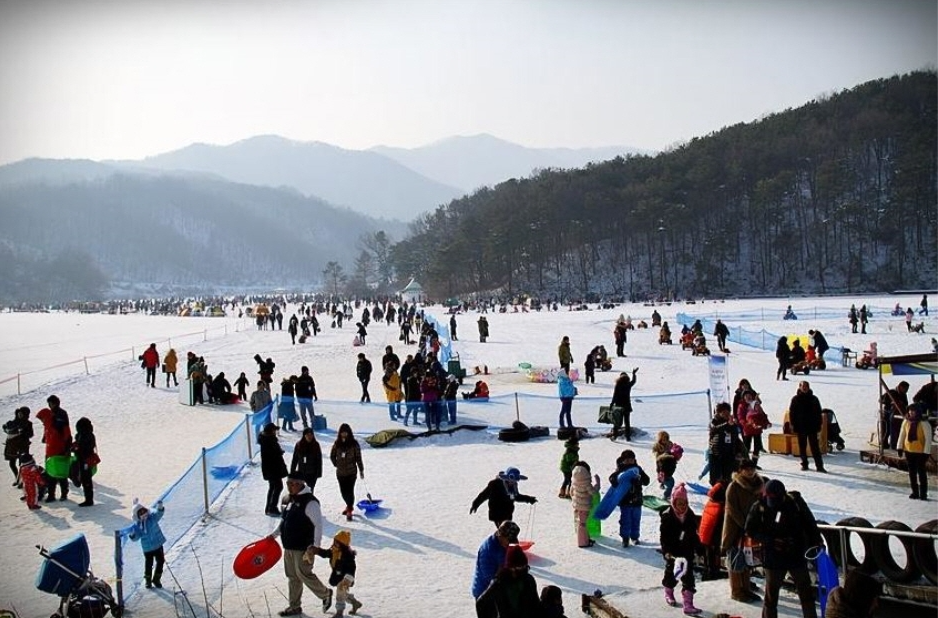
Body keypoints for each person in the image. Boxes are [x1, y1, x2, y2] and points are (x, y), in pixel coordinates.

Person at [744, 479, 824, 618]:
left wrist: (817, 542)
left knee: (806, 594)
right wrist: (770, 540)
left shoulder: (795, 502)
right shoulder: (760, 506)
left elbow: (810, 523)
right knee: (771, 597)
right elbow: (750, 530)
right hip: (773, 556)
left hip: (796, 553)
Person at [269, 474, 333, 616]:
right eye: (288, 483)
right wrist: (273, 536)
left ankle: (325, 594)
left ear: (301, 484)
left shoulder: (310, 502)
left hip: (304, 547)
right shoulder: (286, 499)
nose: (289, 486)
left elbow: (318, 525)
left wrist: (315, 546)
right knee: (292, 576)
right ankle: (294, 606)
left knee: (304, 573)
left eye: (292, 483)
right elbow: (283, 521)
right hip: (289, 546)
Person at [721, 458, 763, 602]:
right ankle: (736, 590)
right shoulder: (733, 486)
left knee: (747, 560)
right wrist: (745, 525)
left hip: (751, 528)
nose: (750, 472)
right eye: (747, 469)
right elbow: (732, 510)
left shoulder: (759, 484)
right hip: (735, 529)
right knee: (735, 560)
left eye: (752, 469)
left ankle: (746, 588)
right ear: (740, 470)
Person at [659, 483, 702, 615]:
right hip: (673, 552)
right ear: (674, 503)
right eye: (680, 503)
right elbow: (664, 537)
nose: (682, 506)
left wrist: (699, 548)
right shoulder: (668, 517)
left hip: (687, 551)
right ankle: (669, 591)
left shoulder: (690, 515)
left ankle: (688, 604)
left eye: (684, 503)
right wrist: (666, 551)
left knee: (688, 577)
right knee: (672, 574)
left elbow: (694, 534)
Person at [475, 544, 542, 618]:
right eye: (519, 568)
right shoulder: (499, 583)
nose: (523, 570)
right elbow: (481, 603)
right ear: (510, 568)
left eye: (525, 567)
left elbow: (536, 605)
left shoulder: (529, 580)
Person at [309, 530, 363, 617]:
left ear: (342, 545)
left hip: (347, 577)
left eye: (337, 542)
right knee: (343, 594)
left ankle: (339, 612)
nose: (334, 543)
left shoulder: (347, 555)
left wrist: (347, 579)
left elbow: (352, 568)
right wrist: (316, 550)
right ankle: (355, 603)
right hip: (338, 576)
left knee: (340, 591)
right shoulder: (334, 551)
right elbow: (325, 553)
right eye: (334, 541)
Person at [470, 467, 537, 527]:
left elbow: (516, 497)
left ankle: (507, 540)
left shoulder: (513, 486)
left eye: (516, 480)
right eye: (512, 480)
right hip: (497, 513)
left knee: (508, 532)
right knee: (505, 532)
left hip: (507, 513)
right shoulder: (495, 484)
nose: (513, 482)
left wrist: (529, 499)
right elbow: (483, 495)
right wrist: (475, 504)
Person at [608, 449, 649, 547]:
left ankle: (634, 537)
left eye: (631, 459)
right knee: (626, 520)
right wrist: (616, 481)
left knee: (636, 520)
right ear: (623, 460)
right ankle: (625, 538)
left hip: (637, 500)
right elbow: (612, 478)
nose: (629, 462)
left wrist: (639, 480)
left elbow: (646, 480)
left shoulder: (637, 469)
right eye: (626, 460)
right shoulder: (621, 469)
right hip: (625, 501)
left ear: (634, 460)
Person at [471, 520, 519, 600]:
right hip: (484, 594)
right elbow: (489, 577)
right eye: (509, 540)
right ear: (501, 536)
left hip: (498, 592)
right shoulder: (488, 550)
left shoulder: (503, 545)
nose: (510, 544)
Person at [36, 395, 72, 502]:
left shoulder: (60, 415)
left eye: (50, 403)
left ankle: (64, 493)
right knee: (50, 473)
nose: (49, 405)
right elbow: (48, 430)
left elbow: (67, 434)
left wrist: (67, 448)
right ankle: (51, 494)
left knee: (60, 472)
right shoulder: (49, 418)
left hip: (59, 449)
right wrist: (45, 438)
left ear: (55, 403)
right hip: (50, 450)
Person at [789, 381, 827, 473]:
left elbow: (818, 413)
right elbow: (792, 413)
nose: (805, 388)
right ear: (800, 387)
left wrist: (819, 424)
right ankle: (804, 464)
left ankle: (819, 466)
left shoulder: (814, 399)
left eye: (806, 386)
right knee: (802, 447)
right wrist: (793, 425)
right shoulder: (795, 399)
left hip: (812, 427)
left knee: (815, 447)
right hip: (801, 426)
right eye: (803, 386)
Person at [128, 499, 167, 589]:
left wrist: (160, 507)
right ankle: (148, 580)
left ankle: (156, 579)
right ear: (137, 516)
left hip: (158, 544)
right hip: (147, 548)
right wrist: (132, 535)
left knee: (160, 561)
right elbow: (136, 538)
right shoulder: (138, 526)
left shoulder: (152, 518)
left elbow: (159, 514)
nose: (144, 514)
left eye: (144, 511)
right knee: (149, 564)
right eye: (141, 514)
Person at [897, 404, 932, 500]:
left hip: (920, 452)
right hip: (909, 450)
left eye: (913, 411)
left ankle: (923, 493)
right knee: (912, 473)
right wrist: (899, 447)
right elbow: (902, 434)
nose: (911, 412)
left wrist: (926, 452)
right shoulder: (906, 421)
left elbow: (928, 439)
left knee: (921, 473)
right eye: (909, 411)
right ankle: (915, 492)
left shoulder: (924, 423)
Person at [331, 423, 364, 522]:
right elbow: (332, 455)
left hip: (351, 472)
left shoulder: (354, 444)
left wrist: (361, 469)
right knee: (343, 491)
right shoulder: (337, 443)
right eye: (342, 432)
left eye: (345, 432)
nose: (344, 434)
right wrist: (336, 464)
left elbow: (358, 457)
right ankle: (349, 506)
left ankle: (349, 509)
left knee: (350, 491)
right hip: (340, 473)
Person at [708, 402, 743, 486]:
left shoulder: (732, 424)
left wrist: (738, 452)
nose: (726, 414)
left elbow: (736, 439)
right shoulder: (714, 422)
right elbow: (715, 429)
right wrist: (727, 424)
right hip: (715, 453)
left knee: (727, 476)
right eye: (723, 412)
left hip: (729, 454)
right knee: (715, 477)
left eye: (727, 412)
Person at [259, 423, 288, 516]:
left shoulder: (268, 440)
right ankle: (272, 507)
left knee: (273, 487)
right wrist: (279, 452)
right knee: (278, 486)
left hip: (272, 469)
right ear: (271, 431)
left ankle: (269, 507)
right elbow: (271, 456)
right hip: (272, 469)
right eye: (274, 430)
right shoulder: (268, 441)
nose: (275, 432)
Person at [738, 390, 771, 467]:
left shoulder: (755, 404)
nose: (748, 397)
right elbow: (740, 417)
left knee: (757, 447)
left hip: (757, 430)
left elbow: (762, 414)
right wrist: (746, 424)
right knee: (746, 447)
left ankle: (754, 463)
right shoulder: (742, 406)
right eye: (746, 396)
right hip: (747, 429)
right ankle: (745, 463)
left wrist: (766, 423)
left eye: (749, 396)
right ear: (743, 397)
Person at [570, 462, 600, 548]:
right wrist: (597, 484)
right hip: (584, 507)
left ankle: (586, 539)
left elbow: (571, 492)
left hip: (577, 505)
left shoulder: (575, 482)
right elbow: (593, 492)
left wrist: (574, 500)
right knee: (582, 524)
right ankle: (582, 542)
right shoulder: (586, 484)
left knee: (581, 523)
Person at [71, 417, 98, 506]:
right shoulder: (87, 434)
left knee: (86, 479)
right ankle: (88, 499)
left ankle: (89, 500)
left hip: (85, 460)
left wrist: (76, 449)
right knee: (85, 479)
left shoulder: (85, 435)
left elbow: (85, 448)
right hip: (84, 459)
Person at [3, 406, 33, 481]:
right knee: (12, 463)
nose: (20, 415)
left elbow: (30, 434)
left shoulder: (28, 423)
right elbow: (6, 428)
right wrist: (5, 428)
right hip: (12, 445)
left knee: (23, 464)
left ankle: (24, 480)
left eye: (22, 413)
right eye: (19, 413)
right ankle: (18, 478)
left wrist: (23, 432)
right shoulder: (13, 422)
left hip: (23, 446)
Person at [291, 427, 323, 494]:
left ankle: (309, 503)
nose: (309, 437)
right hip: (301, 472)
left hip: (312, 473)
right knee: (301, 490)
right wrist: (292, 471)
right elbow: (295, 459)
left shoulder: (316, 445)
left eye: (311, 435)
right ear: (304, 435)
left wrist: (319, 473)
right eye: (307, 435)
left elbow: (319, 460)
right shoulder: (299, 445)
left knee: (310, 490)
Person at [610, 368, 638, 441]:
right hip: (627, 406)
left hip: (618, 406)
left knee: (616, 422)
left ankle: (615, 436)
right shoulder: (628, 385)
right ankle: (628, 437)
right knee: (627, 422)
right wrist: (634, 374)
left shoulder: (618, 385)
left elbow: (615, 395)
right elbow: (634, 381)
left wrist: (612, 404)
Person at [880, 380, 909, 450]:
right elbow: (881, 400)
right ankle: (884, 444)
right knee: (887, 430)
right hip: (888, 413)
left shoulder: (903, 395)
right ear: (900, 387)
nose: (906, 391)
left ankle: (894, 444)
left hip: (897, 414)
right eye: (905, 389)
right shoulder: (891, 392)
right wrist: (890, 403)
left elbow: (905, 404)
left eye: (907, 390)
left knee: (896, 430)